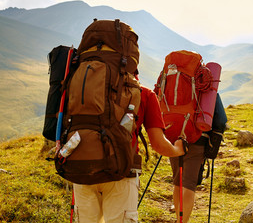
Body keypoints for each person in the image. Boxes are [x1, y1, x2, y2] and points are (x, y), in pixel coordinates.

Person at [73, 83, 186, 223]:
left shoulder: (82, 87)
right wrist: (178, 150)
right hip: (124, 172)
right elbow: (159, 145)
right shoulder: (143, 93)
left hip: (82, 170)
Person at [170, 137, 205, 223]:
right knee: (189, 185)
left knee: (178, 182)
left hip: (175, 138)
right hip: (199, 140)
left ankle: (179, 220)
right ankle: (181, 221)